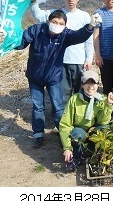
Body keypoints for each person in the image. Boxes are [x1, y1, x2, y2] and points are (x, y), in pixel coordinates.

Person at [14, 10, 100, 148]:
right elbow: (21, 43)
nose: (57, 25)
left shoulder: (65, 35)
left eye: (61, 24)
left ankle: (64, 134)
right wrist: (9, 38)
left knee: (58, 107)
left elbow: (79, 36)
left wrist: (90, 26)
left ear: (65, 26)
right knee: (37, 106)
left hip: (53, 76)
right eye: (54, 22)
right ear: (48, 22)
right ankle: (38, 135)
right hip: (35, 76)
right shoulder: (37, 29)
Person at [30, 0, 93, 104]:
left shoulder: (84, 16)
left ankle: (77, 119)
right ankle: (62, 120)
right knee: (63, 94)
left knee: (79, 92)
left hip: (79, 61)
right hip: (60, 62)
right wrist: (33, 2)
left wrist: (89, 59)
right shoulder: (57, 15)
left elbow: (89, 41)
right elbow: (38, 15)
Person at [59, 70, 113, 165]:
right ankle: (77, 154)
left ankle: (94, 153)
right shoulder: (74, 99)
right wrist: (67, 148)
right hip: (80, 132)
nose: (90, 87)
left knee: (105, 130)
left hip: (94, 133)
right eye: (87, 83)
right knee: (77, 134)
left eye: (93, 83)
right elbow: (65, 124)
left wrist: (109, 105)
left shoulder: (103, 99)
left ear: (98, 84)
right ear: (82, 85)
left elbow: (103, 122)